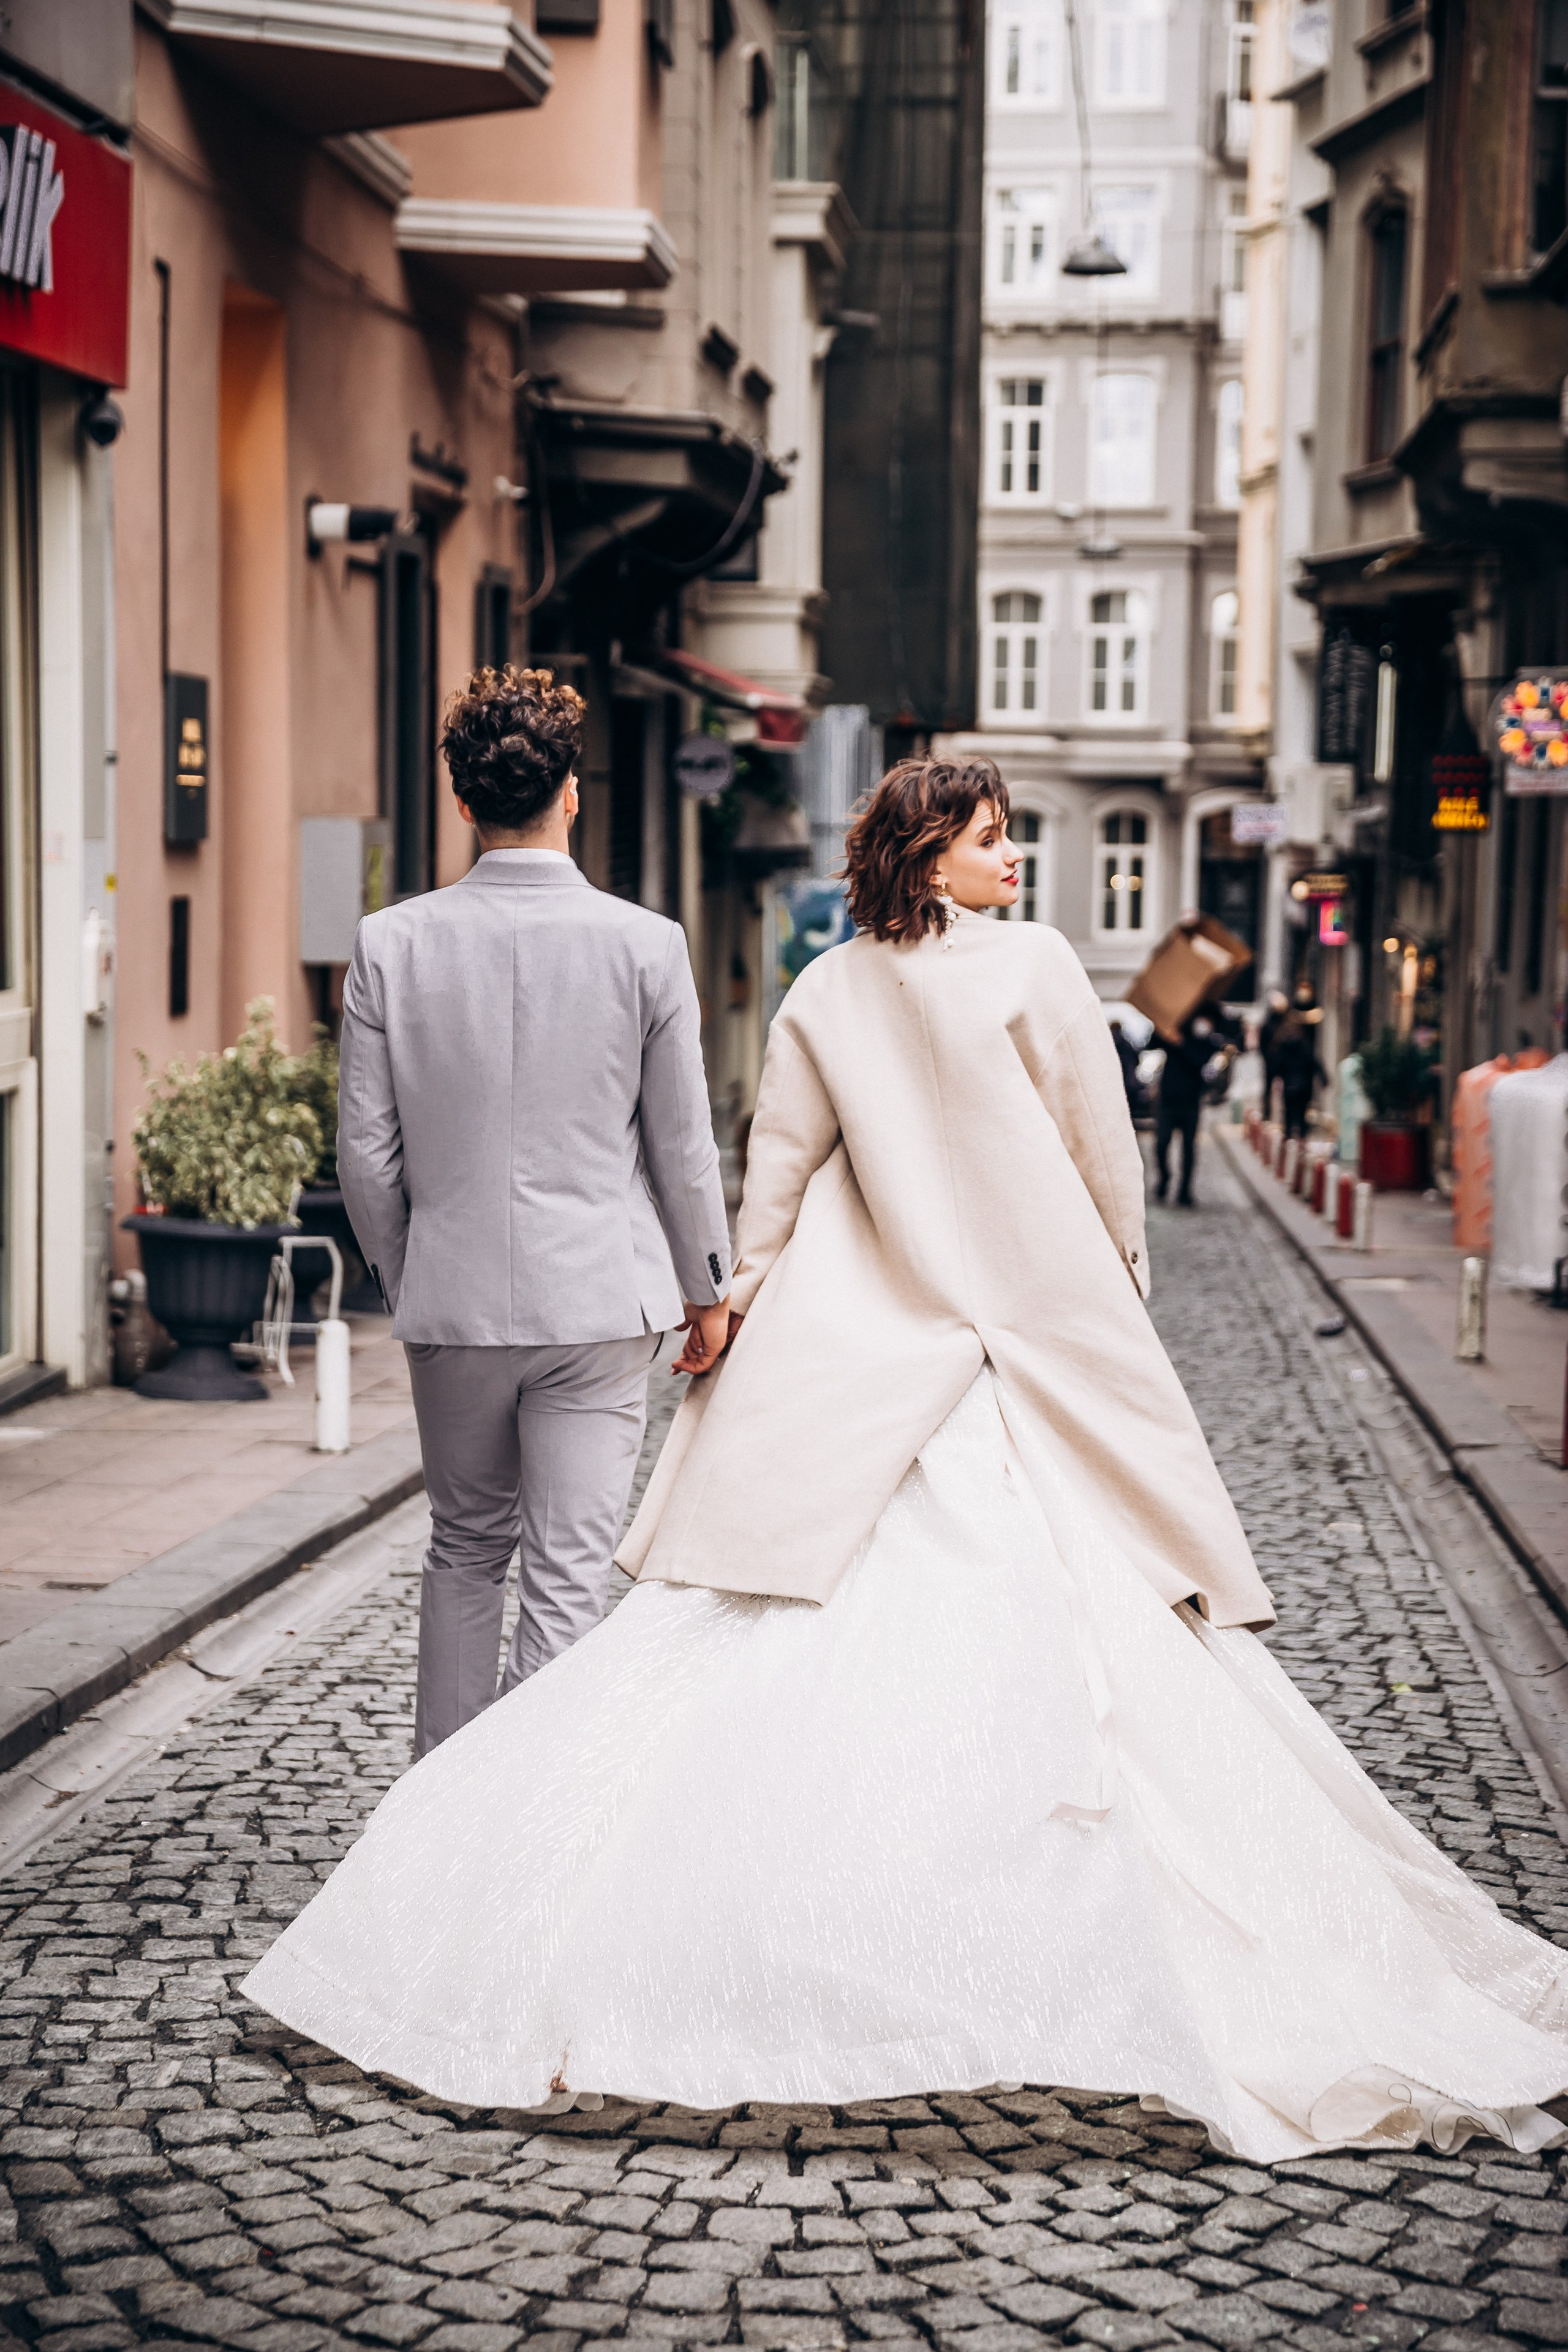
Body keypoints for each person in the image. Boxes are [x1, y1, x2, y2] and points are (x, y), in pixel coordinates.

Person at [246, 756, 1568, 2164]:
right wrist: (1106, 1299)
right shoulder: (1036, 972)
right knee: (1080, 1638)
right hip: (1009, 1341)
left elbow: (779, 1166)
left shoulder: (827, 988)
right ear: (930, 851)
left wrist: (734, 1300)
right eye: (994, 839)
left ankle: (683, 1923)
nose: (1016, 860)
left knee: (753, 1631)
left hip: (856, 1347)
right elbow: (1094, 1153)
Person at [335, 665, 731, 1761]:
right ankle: (520, 1822)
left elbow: (366, 1154)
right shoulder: (646, 944)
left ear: (463, 803)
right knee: (565, 1571)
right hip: (603, 1299)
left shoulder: (390, 943)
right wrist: (708, 1289)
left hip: (451, 1298)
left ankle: (436, 1809)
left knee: (464, 1551)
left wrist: (410, 1273)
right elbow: (683, 1144)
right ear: (572, 792)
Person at [1153, 1010, 1215, 1205]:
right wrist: (1162, 1028)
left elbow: (1200, 1061)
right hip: (1168, 1102)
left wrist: (1180, 1043)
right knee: (1162, 1144)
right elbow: (1151, 1043)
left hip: (1190, 1103)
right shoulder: (1176, 1030)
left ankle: (1185, 1191)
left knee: (1189, 1148)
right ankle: (1164, 1179)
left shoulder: (1206, 1042)